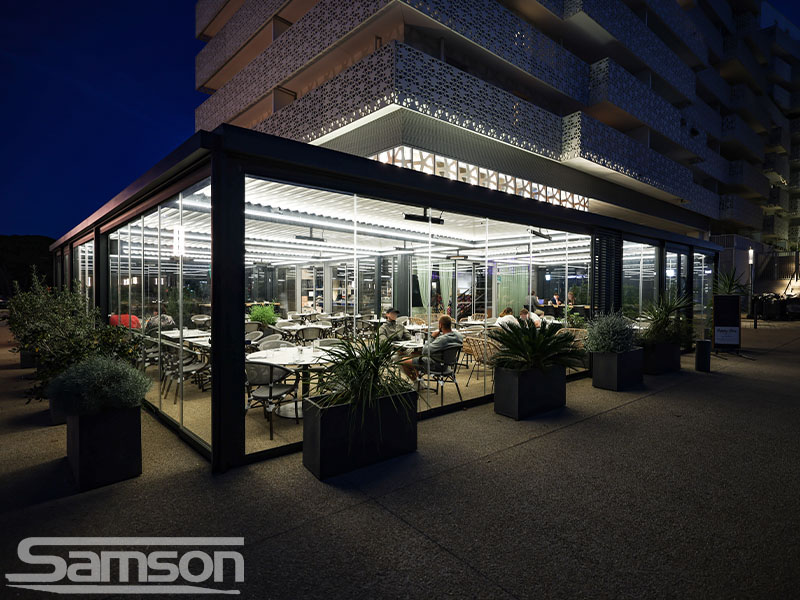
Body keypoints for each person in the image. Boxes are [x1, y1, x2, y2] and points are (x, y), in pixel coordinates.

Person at [400, 315, 463, 381]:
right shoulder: (458, 336)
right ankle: (419, 381)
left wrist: (432, 337)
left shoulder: (442, 340)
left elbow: (424, 351)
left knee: (403, 361)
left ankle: (416, 382)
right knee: (415, 354)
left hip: (435, 365)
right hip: (446, 365)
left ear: (440, 325)